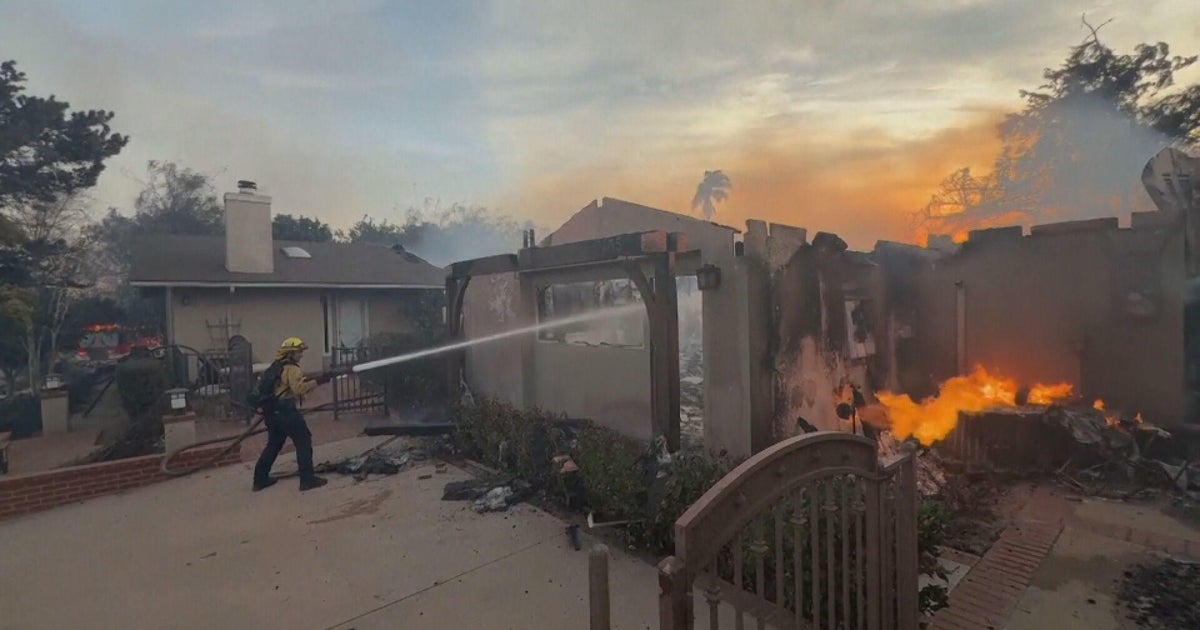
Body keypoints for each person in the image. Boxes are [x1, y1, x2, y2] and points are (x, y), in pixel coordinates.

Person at [252, 337, 332, 492]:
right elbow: (298, 389)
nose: (301, 354)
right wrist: (319, 381)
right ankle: (307, 480)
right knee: (303, 441)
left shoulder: (275, 367)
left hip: (272, 414)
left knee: (274, 444)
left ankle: (260, 479)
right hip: (286, 411)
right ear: (291, 353)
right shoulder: (292, 368)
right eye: (299, 352)